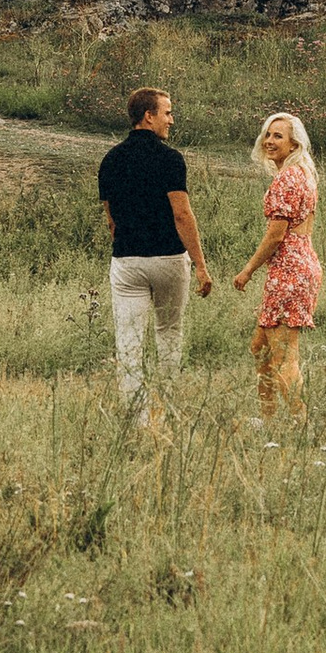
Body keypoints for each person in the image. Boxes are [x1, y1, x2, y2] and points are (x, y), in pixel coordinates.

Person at [97, 83, 212, 417]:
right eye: (167, 112)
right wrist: (200, 265)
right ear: (148, 116)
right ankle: (170, 404)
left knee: (129, 340)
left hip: (127, 259)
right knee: (169, 332)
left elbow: (111, 220)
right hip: (168, 258)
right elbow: (181, 214)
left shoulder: (110, 160)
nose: (171, 120)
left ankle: (137, 416)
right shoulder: (170, 159)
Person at [233, 110, 322, 419]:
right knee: (260, 347)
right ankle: (267, 417)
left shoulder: (288, 178)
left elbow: (275, 236)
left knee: (284, 356)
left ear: (294, 144)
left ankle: (300, 421)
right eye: (268, 135)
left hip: (290, 268)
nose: (269, 141)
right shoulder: (302, 174)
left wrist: (247, 271)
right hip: (298, 264)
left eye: (278, 136)